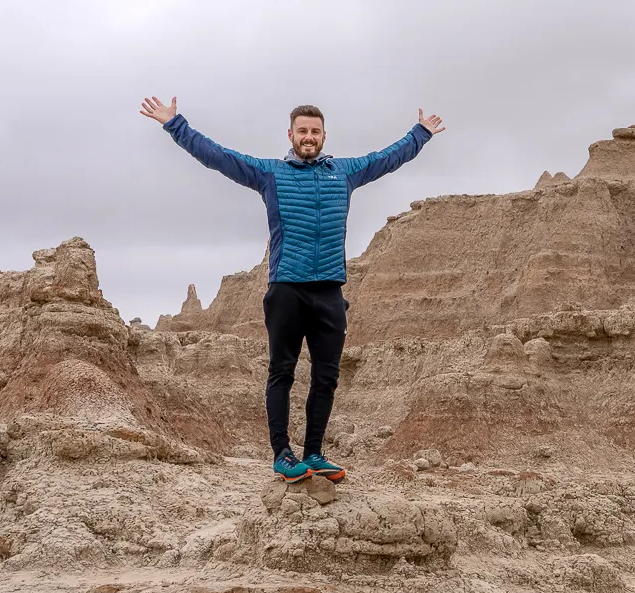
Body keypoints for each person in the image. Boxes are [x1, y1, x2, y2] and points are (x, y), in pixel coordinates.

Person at [139, 95, 444, 482]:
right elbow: (218, 156)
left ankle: (314, 453)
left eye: (315, 131)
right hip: (286, 288)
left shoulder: (345, 172)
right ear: (291, 134)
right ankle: (283, 454)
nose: (309, 137)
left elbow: (387, 158)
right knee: (282, 371)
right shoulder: (270, 173)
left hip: (329, 290)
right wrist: (175, 124)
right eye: (303, 131)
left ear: (324, 135)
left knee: (327, 375)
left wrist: (421, 133)